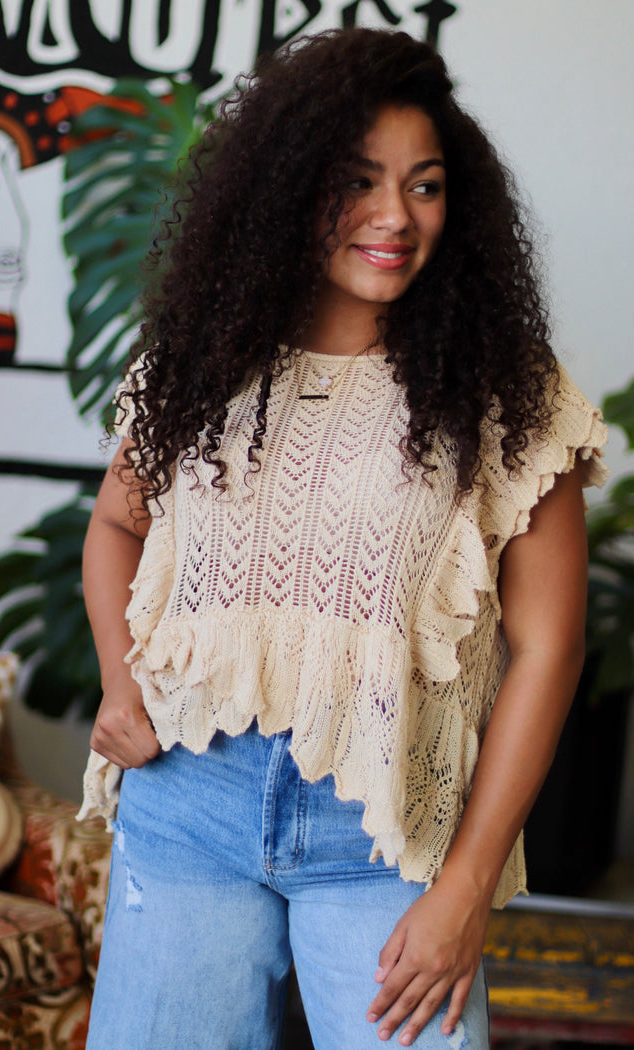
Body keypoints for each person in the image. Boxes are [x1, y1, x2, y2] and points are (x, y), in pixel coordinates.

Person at [78, 27, 607, 1050]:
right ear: (286, 188)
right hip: (188, 805)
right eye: (357, 181)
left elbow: (549, 649)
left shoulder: (508, 391)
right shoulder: (198, 358)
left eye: (424, 185)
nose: (394, 218)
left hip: (386, 837)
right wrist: (116, 676)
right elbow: (113, 526)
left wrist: (462, 891)